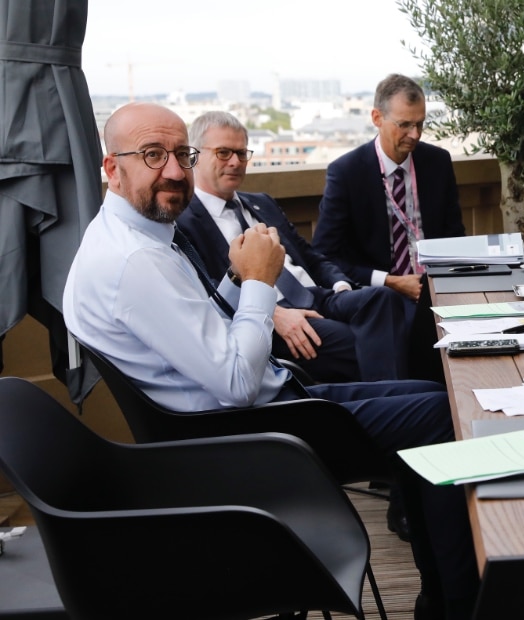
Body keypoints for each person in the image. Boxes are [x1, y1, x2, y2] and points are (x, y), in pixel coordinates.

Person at [63, 103, 478, 619]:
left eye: (180, 154)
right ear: (111, 168)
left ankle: (440, 600)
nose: (173, 170)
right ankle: (460, 605)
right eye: (152, 155)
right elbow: (236, 383)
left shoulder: (127, 238)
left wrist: (237, 279)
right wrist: (259, 282)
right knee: (441, 417)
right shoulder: (137, 261)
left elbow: (199, 335)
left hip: (258, 412)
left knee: (436, 400)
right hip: (253, 437)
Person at [177, 111, 414, 383]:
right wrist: (273, 312)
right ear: (195, 155)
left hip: (319, 295)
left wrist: (340, 285)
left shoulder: (260, 202)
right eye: (223, 153)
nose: (235, 162)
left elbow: (310, 256)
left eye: (242, 153)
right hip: (277, 315)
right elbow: (210, 293)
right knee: (375, 341)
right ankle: (399, 403)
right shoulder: (184, 222)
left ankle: (400, 400)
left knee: (383, 298)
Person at [313, 73, 464, 383]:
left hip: (438, 290)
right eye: (404, 124)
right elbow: (325, 256)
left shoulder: (437, 162)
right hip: (385, 298)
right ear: (376, 118)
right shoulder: (346, 172)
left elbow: (455, 235)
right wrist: (391, 282)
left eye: (420, 124)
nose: (415, 134)